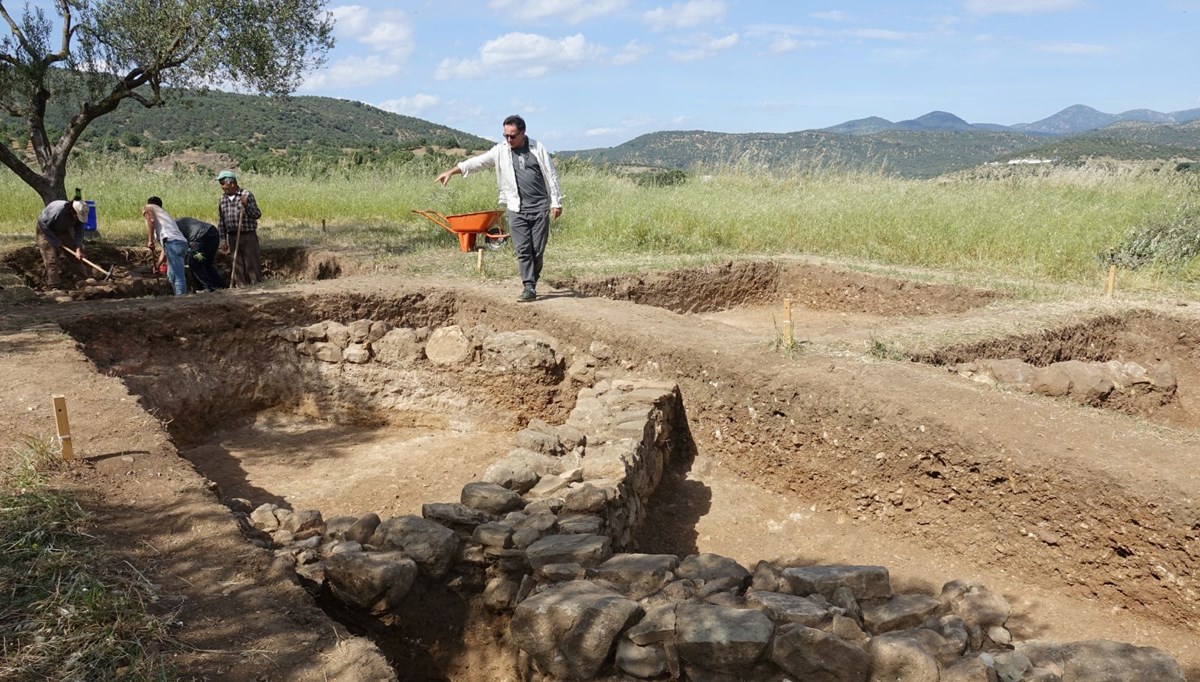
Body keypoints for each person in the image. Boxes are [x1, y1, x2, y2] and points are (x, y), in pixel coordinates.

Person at [437, 115, 563, 302]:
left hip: (539, 207)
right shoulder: (501, 151)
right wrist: (452, 171)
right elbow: (477, 162)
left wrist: (556, 202)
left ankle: (533, 279)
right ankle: (528, 286)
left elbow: (551, 175)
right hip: (516, 208)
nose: (509, 140)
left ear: (523, 133)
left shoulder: (538, 148)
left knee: (537, 250)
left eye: (512, 136)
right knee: (522, 249)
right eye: (506, 136)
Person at [215, 169, 263, 286]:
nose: (221, 187)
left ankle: (257, 287)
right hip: (232, 236)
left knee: (252, 263)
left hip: (247, 235)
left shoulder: (246, 195)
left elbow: (257, 214)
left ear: (231, 183)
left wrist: (246, 205)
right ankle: (241, 288)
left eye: (222, 183)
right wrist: (222, 238)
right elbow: (221, 221)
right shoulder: (222, 199)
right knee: (237, 265)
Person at [35, 199, 90, 292]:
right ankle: (54, 286)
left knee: (74, 256)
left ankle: (85, 280)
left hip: (62, 230)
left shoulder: (80, 213)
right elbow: (42, 222)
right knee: (50, 258)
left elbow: (79, 232)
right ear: (72, 211)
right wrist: (55, 241)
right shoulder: (57, 211)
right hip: (45, 230)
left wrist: (78, 248)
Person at [143, 196, 188, 295]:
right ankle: (178, 297)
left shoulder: (149, 207)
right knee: (171, 275)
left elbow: (151, 220)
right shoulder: (164, 220)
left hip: (173, 244)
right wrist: (158, 265)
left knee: (178, 276)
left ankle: (183, 300)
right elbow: (166, 248)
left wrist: (150, 241)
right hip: (179, 244)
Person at [176, 216, 225, 292]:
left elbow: (182, 247)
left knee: (194, 262)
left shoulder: (174, 229)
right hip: (212, 232)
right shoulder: (180, 221)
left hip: (202, 236)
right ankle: (220, 286)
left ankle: (208, 287)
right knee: (206, 262)